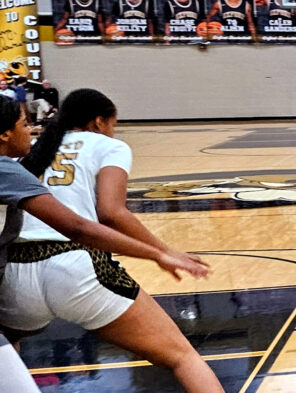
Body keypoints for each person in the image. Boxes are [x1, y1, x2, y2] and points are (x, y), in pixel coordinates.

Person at [0, 89, 223, 393]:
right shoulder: (109, 146)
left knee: (6, 359)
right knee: (183, 358)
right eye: (112, 124)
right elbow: (111, 212)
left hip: (14, 271)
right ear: (99, 122)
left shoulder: (30, 150)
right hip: (74, 262)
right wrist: (161, 251)